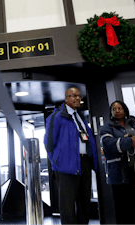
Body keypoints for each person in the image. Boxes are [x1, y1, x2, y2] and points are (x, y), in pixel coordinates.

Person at [44, 87, 98, 225]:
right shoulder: (56, 116)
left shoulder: (80, 117)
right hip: (65, 166)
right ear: (66, 98)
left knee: (84, 203)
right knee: (67, 206)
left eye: (79, 96)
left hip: (84, 163)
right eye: (73, 96)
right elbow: (49, 143)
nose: (77, 98)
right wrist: (57, 161)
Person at [99, 100, 135, 225]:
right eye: (114, 109)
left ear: (125, 110)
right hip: (119, 173)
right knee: (123, 207)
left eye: (120, 108)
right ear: (111, 112)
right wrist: (130, 142)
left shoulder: (134, 124)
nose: (117, 111)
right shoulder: (106, 127)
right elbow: (107, 144)